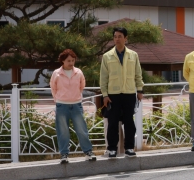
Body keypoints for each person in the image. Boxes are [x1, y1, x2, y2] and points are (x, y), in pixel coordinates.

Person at [100, 27, 144, 158]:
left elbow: (138, 74)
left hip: (129, 92)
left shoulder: (133, 55)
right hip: (113, 94)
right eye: (115, 36)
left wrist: (140, 90)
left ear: (126, 38)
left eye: (120, 36)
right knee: (113, 122)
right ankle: (112, 148)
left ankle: (129, 148)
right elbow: (103, 77)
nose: (117, 39)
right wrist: (105, 95)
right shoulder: (107, 56)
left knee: (129, 122)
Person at [50, 49, 96, 164]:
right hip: (62, 105)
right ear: (63, 61)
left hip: (76, 105)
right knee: (63, 131)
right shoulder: (56, 73)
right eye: (68, 60)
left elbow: (82, 85)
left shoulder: (78, 72)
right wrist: (59, 99)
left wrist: (75, 96)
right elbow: (53, 88)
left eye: (73, 60)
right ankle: (64, 154)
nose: (71, 63)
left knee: (81, 129)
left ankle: (88, 152)